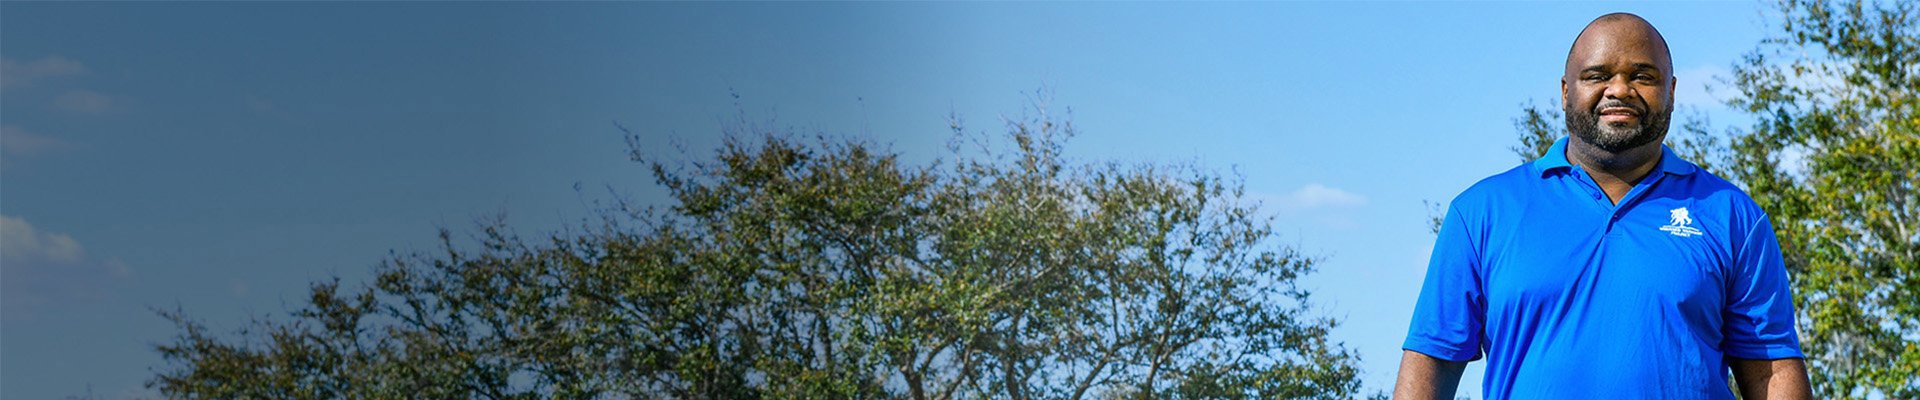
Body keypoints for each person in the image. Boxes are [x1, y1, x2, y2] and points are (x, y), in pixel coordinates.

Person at [1393, 13, 1813, 400]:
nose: (1619, 90)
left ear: (1671, 90)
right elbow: (1432, 362)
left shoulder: (1733, 216)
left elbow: (1770, 371)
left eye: (1642, 76)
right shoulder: (1482, 213)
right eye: (1597, 75)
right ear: (1564, 91)